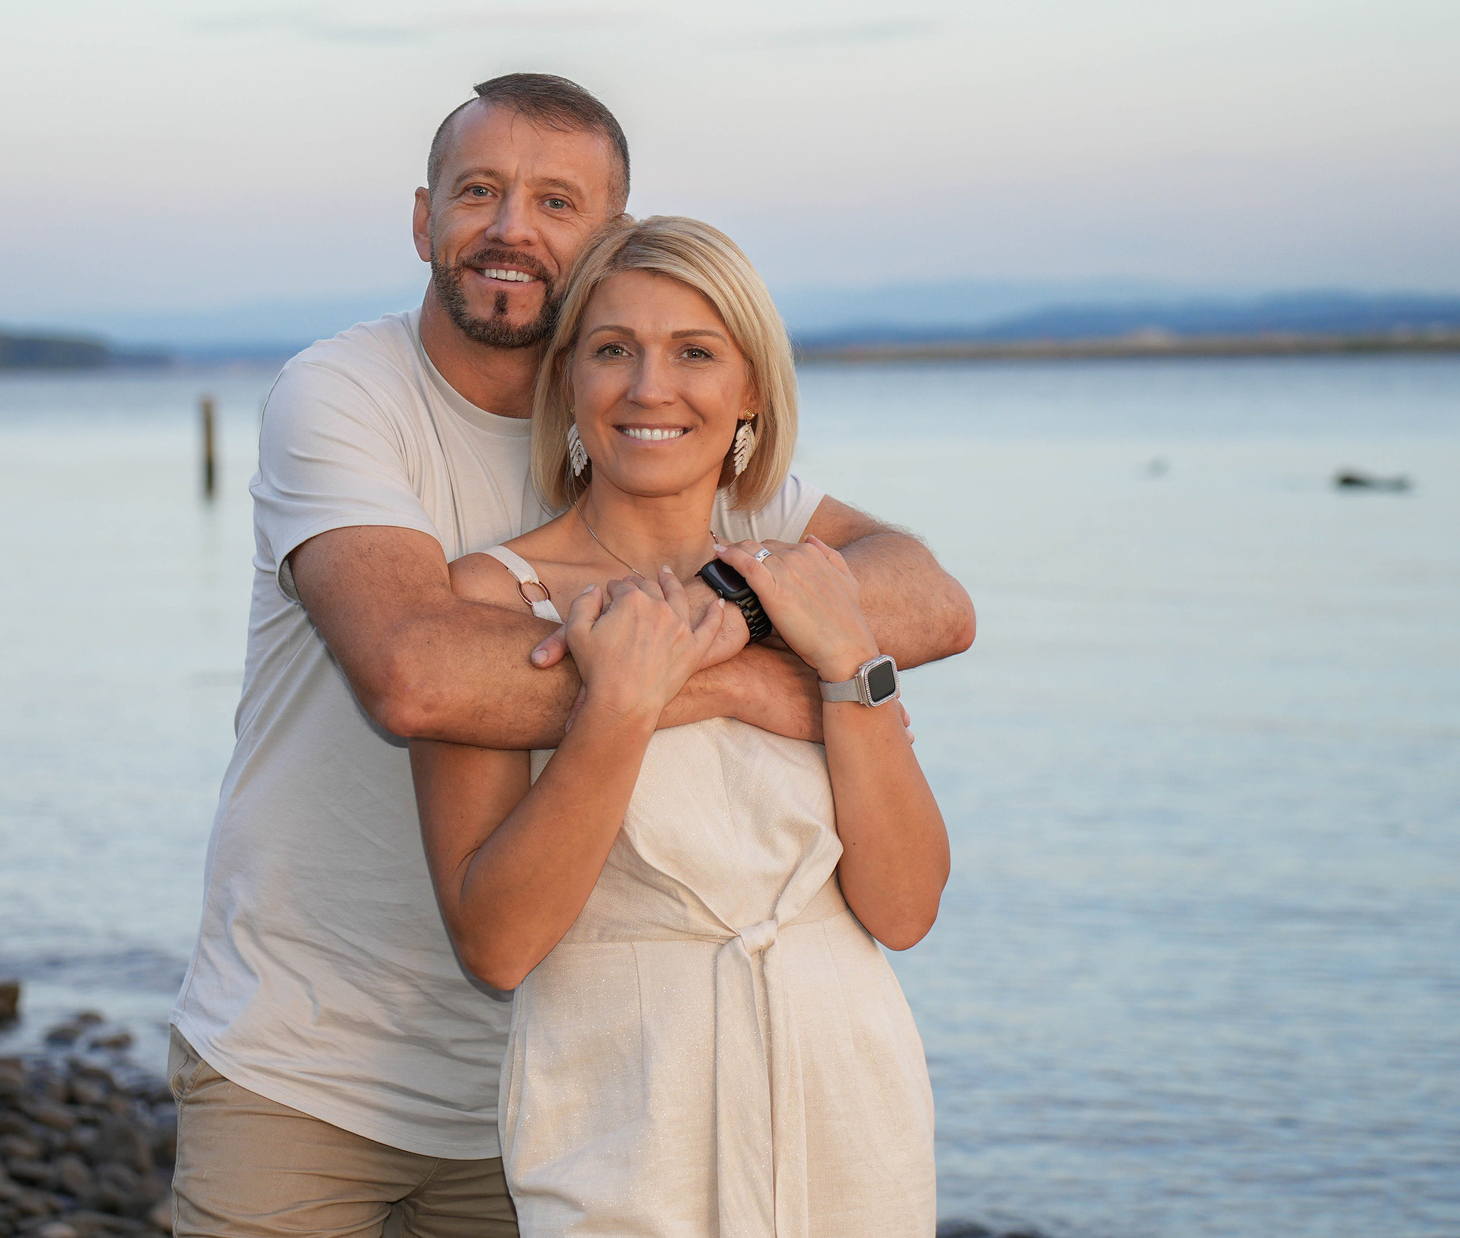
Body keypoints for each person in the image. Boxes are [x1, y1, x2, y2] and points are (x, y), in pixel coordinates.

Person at [168, 75, 975, 1238]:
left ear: (610, 238)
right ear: (422, 218)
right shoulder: (347, 395)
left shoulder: (700, 473)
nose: (510, 228)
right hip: (314, 1054)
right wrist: (742, 675)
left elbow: (931, 601)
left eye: (556, 201)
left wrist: (789, 650)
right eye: (479, 192)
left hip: (572, 1086)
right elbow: (415, 674)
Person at [412, 215, 945, 1238]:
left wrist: (843, 664)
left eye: (694, 353)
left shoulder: (807, 588)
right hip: (627, 1119)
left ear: (749, 390)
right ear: (567, 382)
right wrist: (618, 705)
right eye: (613, 350)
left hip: (852, 1100)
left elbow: (907, 906)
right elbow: (497, 945)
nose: (650, 387)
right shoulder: (490, 597)